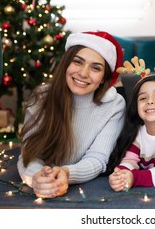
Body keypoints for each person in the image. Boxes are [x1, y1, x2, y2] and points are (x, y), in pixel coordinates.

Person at [17, 31, 126, 198]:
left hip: (85, 187)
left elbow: (97, 159)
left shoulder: (114, 104)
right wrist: (35, 178)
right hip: (44, 177)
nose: (83, 73)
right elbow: (29, 153)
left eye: (95, 68)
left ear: (104, 78)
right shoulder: (41, 97)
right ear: (66, 64)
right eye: (77, 62)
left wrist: (66, 173)